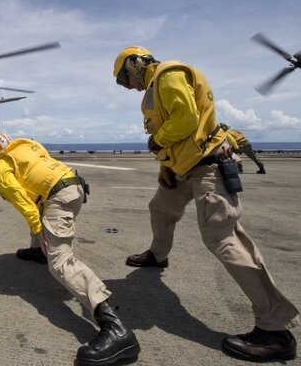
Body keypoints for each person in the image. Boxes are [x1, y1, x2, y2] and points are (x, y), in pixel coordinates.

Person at [113, 46, 299, 362]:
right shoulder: (156, 89)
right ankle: (157, 257)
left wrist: (157, 141)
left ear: (135, 63)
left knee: (223, 238)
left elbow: (185, 122)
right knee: (160, 208)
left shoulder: (167, 75)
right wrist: (166, 168)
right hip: (184, 168)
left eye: (124, 79)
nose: (128, 87)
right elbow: (178, 134)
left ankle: (275, 329)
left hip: (208, 165)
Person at [0, 133, 140, 366]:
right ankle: (39, 250)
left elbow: (18, 196)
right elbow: (37, 185)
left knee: (60, 262)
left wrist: (38, 227)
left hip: (58, 197)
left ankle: (116, 328)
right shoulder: (26, 145)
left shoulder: (0, 163)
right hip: (74, 185)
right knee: (40, 210)